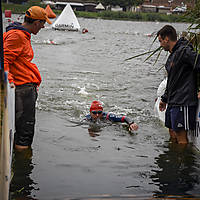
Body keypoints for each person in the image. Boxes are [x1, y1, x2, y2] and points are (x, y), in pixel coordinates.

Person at [3, 6, 52, 151]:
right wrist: (10, 82)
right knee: (25, 133)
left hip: (24, 88)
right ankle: (23, 167)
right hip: (22, 89)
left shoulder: (20, 34)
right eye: (42, 23)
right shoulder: (17, 36)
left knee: (23, 131)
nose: (43, 26)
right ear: (36, 22)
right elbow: (4, 60)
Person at [157, 25, 200, 144]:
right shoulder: (173, 55)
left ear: (167, 39)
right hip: (173, 100)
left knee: (181, 138)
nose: (160, 45)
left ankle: (182, 160)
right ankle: (172, 157)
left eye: (160, 41)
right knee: (171, 132)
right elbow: (171, 80)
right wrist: (164, 98)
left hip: (183, 100)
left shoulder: (185, 51)